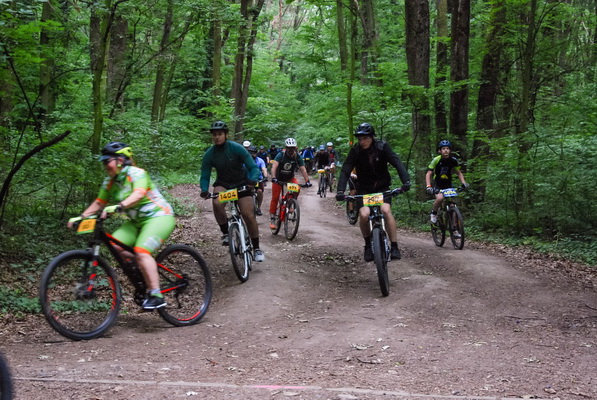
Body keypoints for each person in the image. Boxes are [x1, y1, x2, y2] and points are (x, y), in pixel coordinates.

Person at [69, 141, 175, 310]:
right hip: (136, 222)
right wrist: (81, 218)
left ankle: (156, 295)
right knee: (114, 245)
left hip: (159, 217)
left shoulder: (136, 173)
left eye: (107, 161)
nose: (105, 166)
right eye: (103, 162)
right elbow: (99, 202)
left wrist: (119, 206)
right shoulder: (110, 181)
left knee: (141, 251)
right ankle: (144, 269)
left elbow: (138, 194)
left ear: (120, 160)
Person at [335, 122, 411, 262]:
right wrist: (340, 190)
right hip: (364, 188)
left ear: (372, 137)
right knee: (364, 215)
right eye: (360, 139)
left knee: (386, 210)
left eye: (365, 138)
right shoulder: (356, 151)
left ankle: (394, 246)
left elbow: (397, 163)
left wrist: (406, 181)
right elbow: (346, 170)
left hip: (382, 186)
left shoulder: (382, 147)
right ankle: (368, 246)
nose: (362, 141)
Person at [199, 121, 265, 262]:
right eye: (214, 135)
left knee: (248, 215)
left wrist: (253, 180)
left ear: (226, 135)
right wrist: (204, 189)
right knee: (216, 203)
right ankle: (225, 233)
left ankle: (256, 248)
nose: (217, 137)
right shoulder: (210, 154)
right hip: (223, 183)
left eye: (220, 134)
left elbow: (253, 167)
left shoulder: (236, 148)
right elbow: (205, 174)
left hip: (241, 183)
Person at [269, 138, 312, 229]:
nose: (291, 150)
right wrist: (273, 178)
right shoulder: (281, 155)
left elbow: (303, 169)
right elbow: (274, 167)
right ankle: (272, 218)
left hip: (290, 178)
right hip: (278, 179)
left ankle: (291, 202)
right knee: (275, 197)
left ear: (295, 148)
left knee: (297, 189)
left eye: (292, 148)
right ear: (286, 148)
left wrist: (307, 181)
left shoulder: (297, 156)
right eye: (289, 148)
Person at [425, 140, 468, 231]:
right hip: (438, 183)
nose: (445, 150)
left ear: (450, 150)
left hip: (448, 184)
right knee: (440, 198)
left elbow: (459, 173)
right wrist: (428, 186)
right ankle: (434, 213)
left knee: (452, 206)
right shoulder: (436, 160)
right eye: (443, 148)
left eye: (447, 148)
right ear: (440, 150)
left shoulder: (453, 160)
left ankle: (454, 228)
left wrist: (464, 183)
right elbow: (428, 173)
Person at [248, 145, 268, 216]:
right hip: (248, 180)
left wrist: (265, 176)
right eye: (250, 152)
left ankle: (258, 208)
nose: (252, 154)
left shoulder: (260, 160)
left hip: (258, 179)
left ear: (256, 153)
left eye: (253, 153)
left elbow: (264, 169)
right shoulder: (245, 160)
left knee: (259, 192)